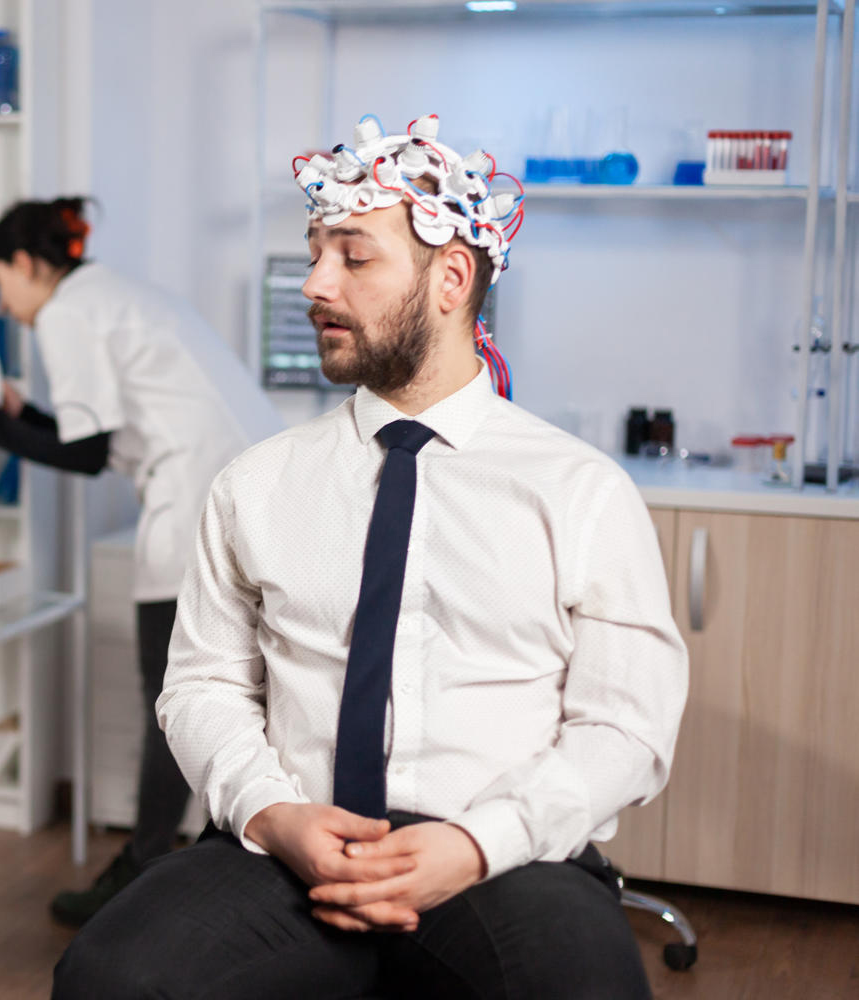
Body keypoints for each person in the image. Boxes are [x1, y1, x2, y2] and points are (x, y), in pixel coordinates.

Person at [53, 115, 689, 998]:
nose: (315, 284)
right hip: (287, 847)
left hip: (500, 855)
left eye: (354, 257)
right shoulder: (255, 484)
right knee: (111, 977)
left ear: (451, 278)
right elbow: (200, 689)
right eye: (315, 253)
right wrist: (275, 815)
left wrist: (476, 843)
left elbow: (625, 727)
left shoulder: (579, 491)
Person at [0, 196, 284, 926]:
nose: (2, 304)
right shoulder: (113, 294)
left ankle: (141, 875)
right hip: (254, 493)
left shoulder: (67, 311)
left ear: (27, 265)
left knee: (174, 700)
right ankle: (192, 864)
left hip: (195, 506)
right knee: (236, 696)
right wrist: (16, 416)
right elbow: (100, 438)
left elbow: (85, 453)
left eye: (0, 283)